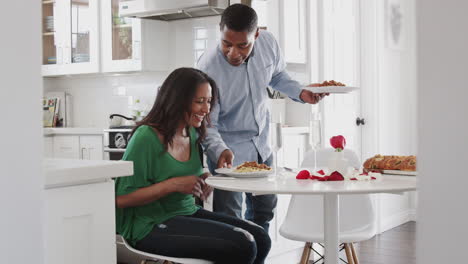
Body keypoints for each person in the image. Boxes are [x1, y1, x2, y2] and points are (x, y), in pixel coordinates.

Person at [114, 67, 271, 264]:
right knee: (243, 244)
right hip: (149, 224)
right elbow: (120, 199)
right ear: (177, 100)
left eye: (209, 101)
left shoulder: (193, 132)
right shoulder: (146, 137)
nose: (206, 110)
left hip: (186, 212)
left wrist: (203, 179)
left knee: (260, 237)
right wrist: (172, 185)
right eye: (199, 101)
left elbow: (184, 175)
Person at [197, 4, 327, 231]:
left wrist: (300, 92)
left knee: (264, 211)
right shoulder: (209, 68)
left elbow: (277, 76)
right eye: (226, 44)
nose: (233, 53)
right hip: (227, 151)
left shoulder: (268, 43)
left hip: (262, 147)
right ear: (220, 31)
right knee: (231, 221)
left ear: (256, 34)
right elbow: (209, 124)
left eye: (242, 45)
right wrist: (219, 152)